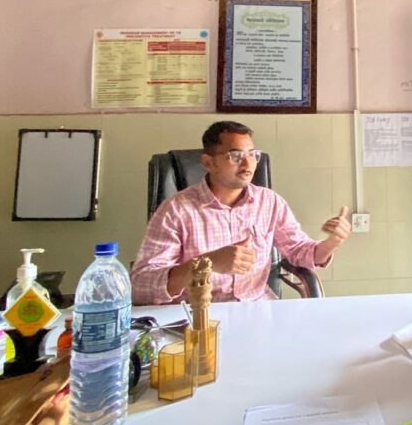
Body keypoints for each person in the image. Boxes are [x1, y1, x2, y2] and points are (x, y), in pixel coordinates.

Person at [131, 121, 352, 304]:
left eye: (253, 155)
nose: (248, 164)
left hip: (257, 310)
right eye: (236, 156)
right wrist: (206, 263)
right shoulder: (176, 209)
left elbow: (299, 252)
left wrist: (330, 243)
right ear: (208, 162)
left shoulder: (269, 202)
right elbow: (140, 285)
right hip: (197, 317)